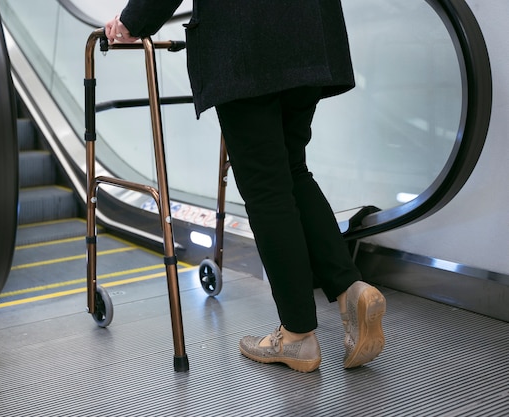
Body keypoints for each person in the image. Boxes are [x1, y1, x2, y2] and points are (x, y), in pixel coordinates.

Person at [105, 0, 386, 372]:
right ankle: (351, 289)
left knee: (266, 187)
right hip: (310, 29)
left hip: (245, 39)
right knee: (292, 168)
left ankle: (297, 335)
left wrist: (133, 21)